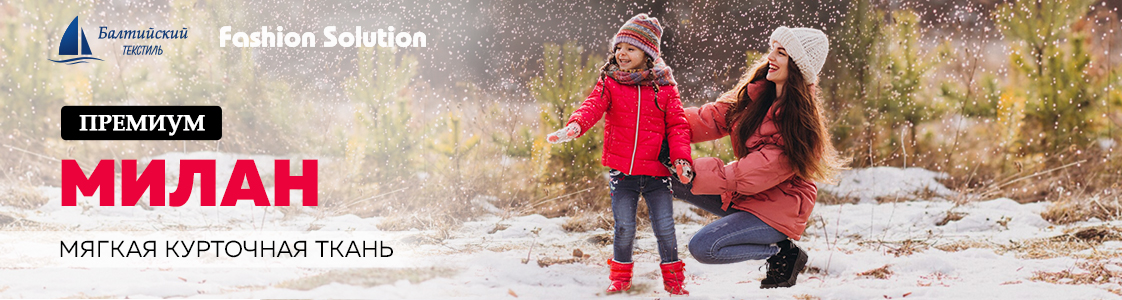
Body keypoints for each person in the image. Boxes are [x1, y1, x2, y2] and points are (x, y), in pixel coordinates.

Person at [673, 26, 843, 289]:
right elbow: (712, 117)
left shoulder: (799, 121)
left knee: (704, 247)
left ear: (797, 66)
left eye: (782, 52)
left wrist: (694, 172)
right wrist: (663, 124)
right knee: (669, 177)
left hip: (778, 210)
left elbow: (756, 172)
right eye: (772, 49)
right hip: (749, 195)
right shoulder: (756, 94)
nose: (771, 57)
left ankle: (781, 251)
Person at [545, 13, 694, 295]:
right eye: (619, 47)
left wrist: (681, 159)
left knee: (664, 228)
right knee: (624, 227)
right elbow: (592, 106)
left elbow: (677, 126)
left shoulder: (664, 87)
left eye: (630, 48)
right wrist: (575, 125)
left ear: (648, 53)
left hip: (656, 174)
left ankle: (675, 283)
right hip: (622, 171)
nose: (621, 54)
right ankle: (620, 280)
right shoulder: (610, 82)